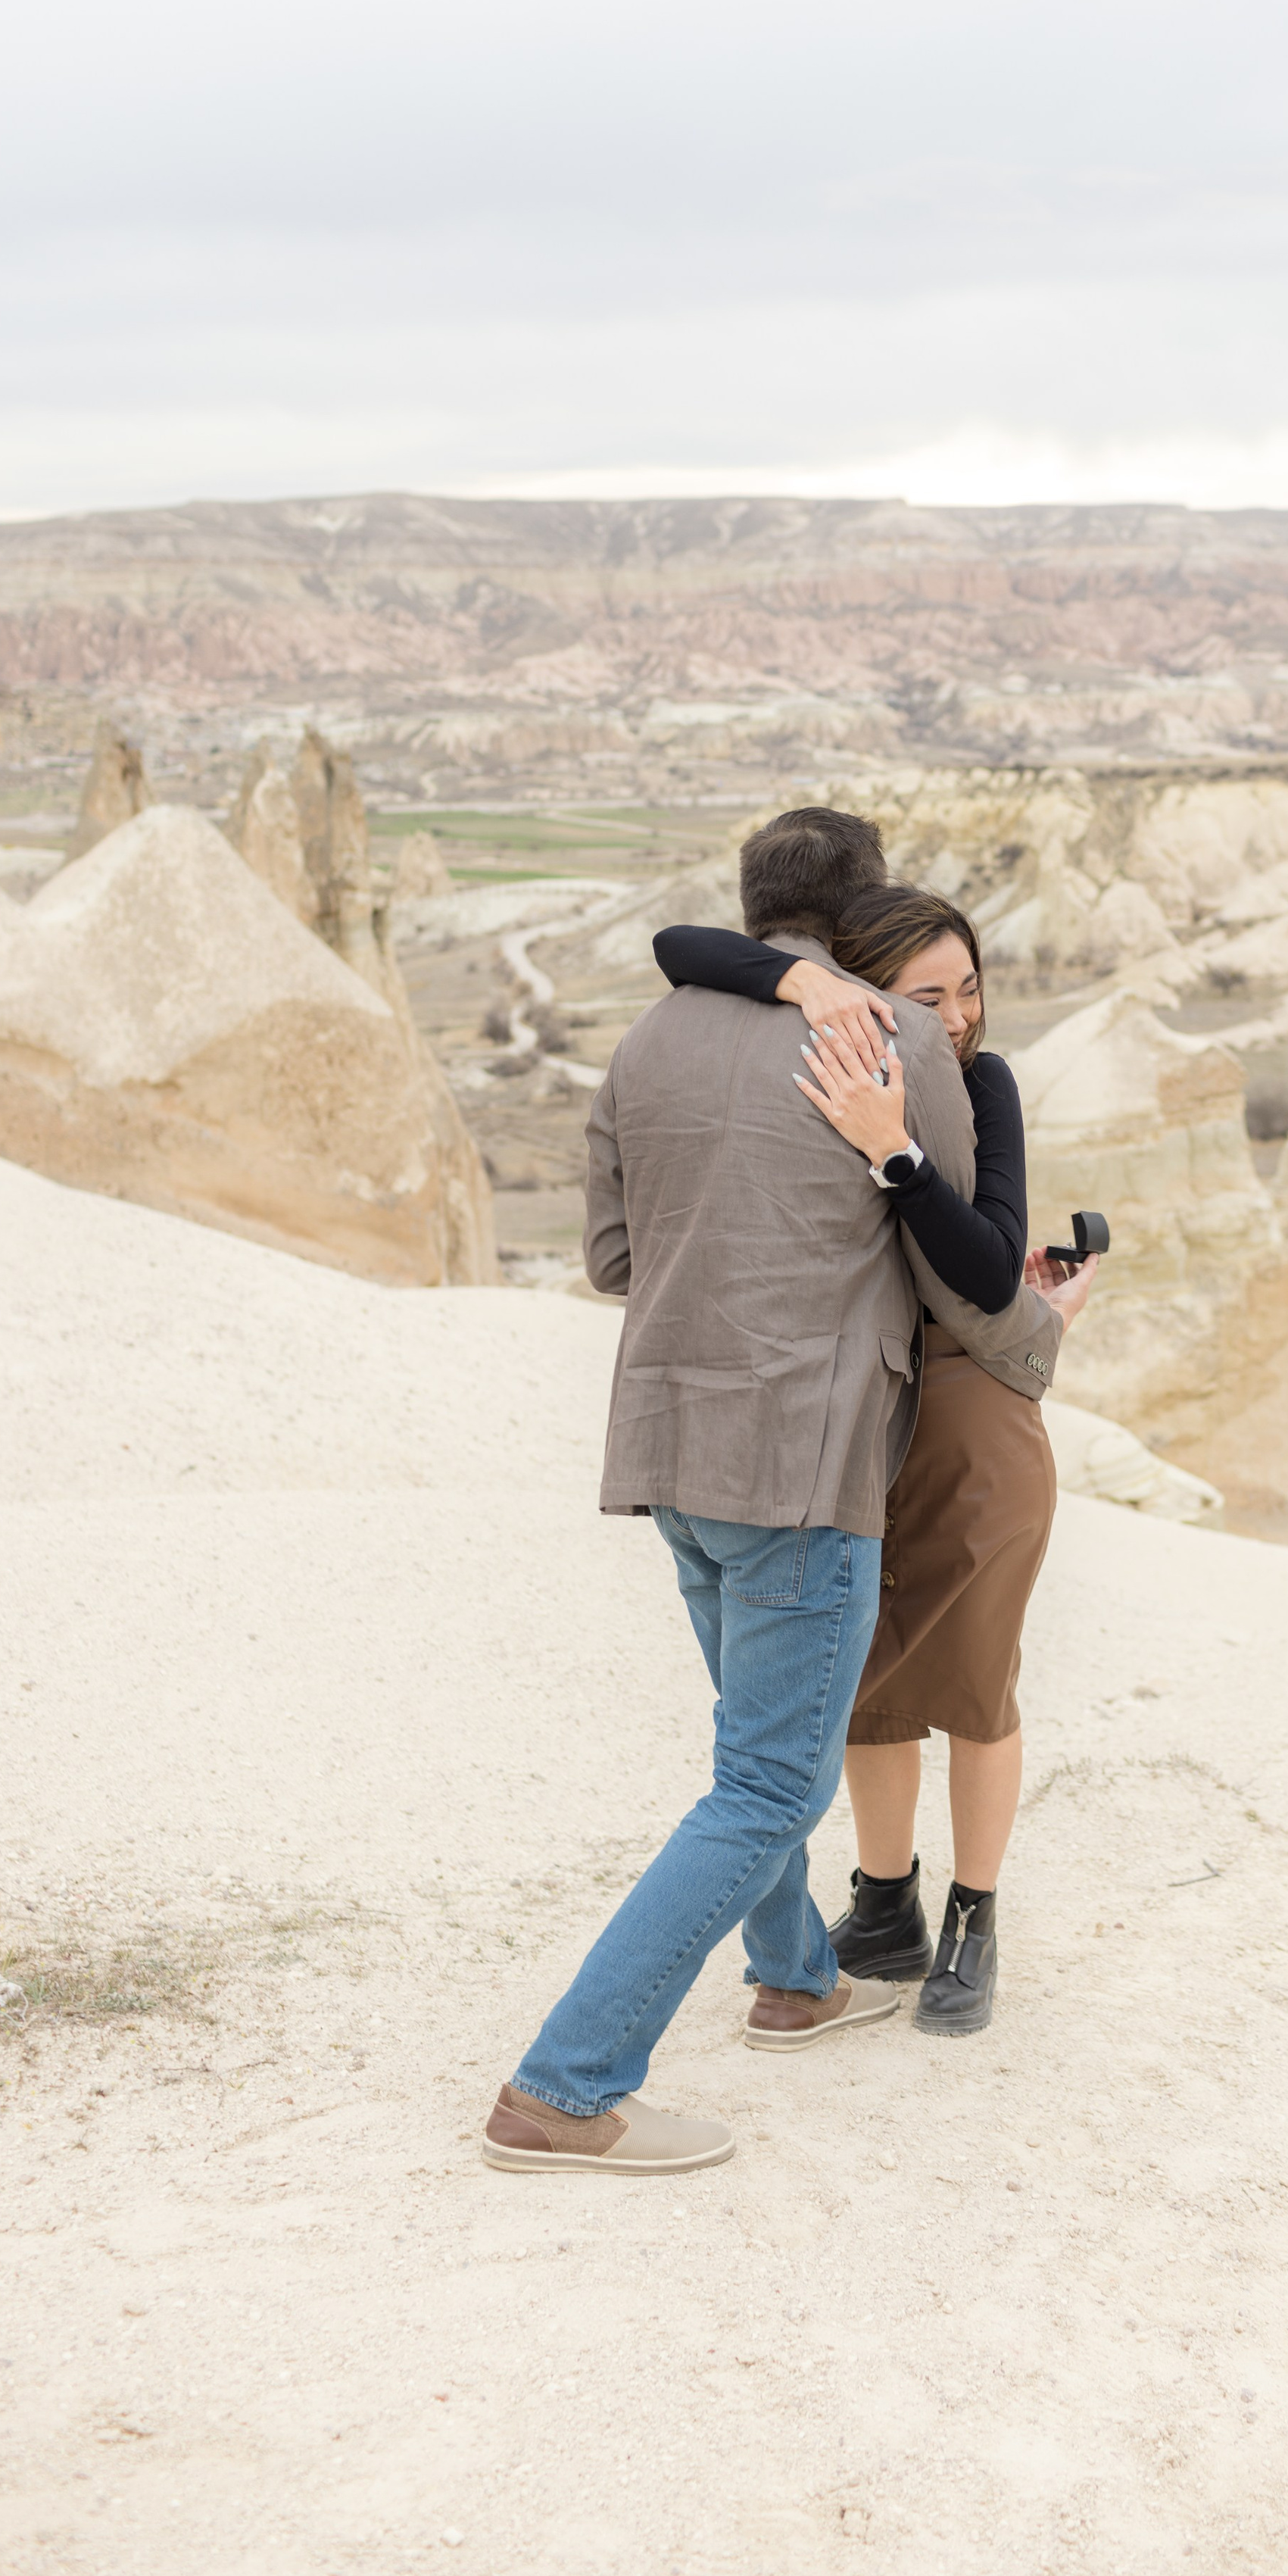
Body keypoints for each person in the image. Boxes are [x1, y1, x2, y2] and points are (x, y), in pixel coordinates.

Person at [482, 810, 1065, 2178]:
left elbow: (614, 1259)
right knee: (765, 1784)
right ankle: (566, 2085)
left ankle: (798, 1979)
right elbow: (960, 1279)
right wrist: (1039, 1329)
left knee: (756, 1744)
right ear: (863, 912)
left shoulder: (647, 1040)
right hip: (806, 1460)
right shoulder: (897, 1045)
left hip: (669, 1448)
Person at [653, 883, 1098, 2037]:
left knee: (978, 1683)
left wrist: (892, 1151)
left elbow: (990, 1268)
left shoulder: (977, 1087)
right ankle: (887, 1903)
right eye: (926, 996)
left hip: (972, 1422)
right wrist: (800, 979)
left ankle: (972, 1922)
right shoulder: (834, 1054)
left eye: (969, 990)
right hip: (862, 1423)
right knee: (867, 1681)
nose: (957, 1017)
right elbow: (678, 944)